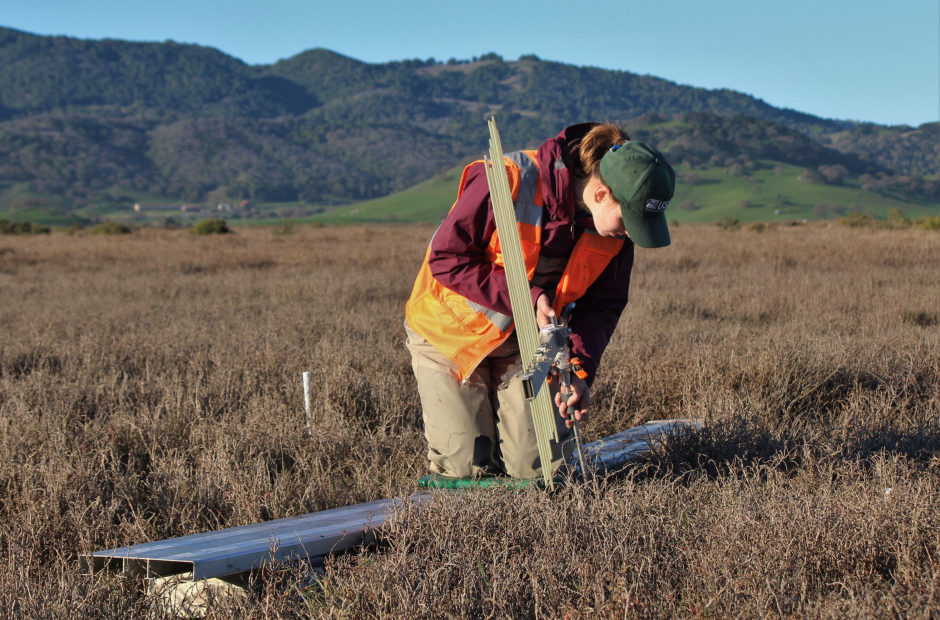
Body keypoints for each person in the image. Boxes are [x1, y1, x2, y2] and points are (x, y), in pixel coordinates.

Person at [404, 122, 675, 480]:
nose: (631, 234)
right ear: (600, 195)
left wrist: (579, 372)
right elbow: (446, 258)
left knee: (542, 472)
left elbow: (602, 307)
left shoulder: (615, 231)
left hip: (528, 345)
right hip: (450, 337)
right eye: (630, 221)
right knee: (466, 470)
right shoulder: (508, 178)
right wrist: (527, 297)